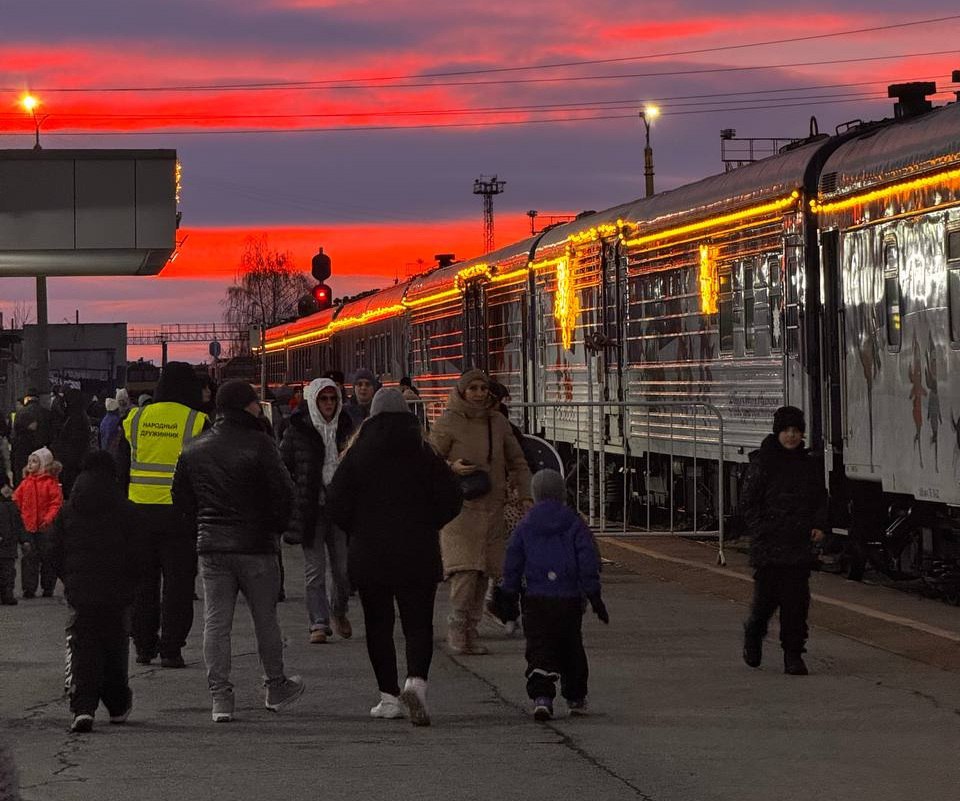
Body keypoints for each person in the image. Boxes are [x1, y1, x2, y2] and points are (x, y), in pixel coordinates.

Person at [328, 388, 462, 725]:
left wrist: (357, 528)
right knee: (417, 623)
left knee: (378, 625)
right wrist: (430, 523)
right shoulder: (424, 452)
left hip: (370, 554)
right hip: (417, 551)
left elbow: (336, 503)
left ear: (371, 415)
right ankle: (416, 684)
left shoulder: (357, 454)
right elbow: (452, 497)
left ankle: (388, 697)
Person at [172, 380, 304, 723]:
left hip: (212, 547)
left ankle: (221, 699)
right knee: (265, 620)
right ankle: (276, 687)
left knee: (215, 622)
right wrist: (273, 527)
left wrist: (202, 526)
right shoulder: (261, 444)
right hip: (256, 546)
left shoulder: (194, 447)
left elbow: (181, 499)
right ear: (246, 406)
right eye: (255, 403)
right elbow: (284, 492)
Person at [430, 369, 533, 655]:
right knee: (465, 572)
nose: (478, 393)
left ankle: (471, 631)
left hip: (492, 509)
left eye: (482, 388)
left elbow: (518, 460)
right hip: (461, 510)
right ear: (462, 391)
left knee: (484, 573)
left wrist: (525, 495)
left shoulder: (498, 422)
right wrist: (452, 468)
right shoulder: (448, 422)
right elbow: (429, 460)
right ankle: (457, 629)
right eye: (472, 388)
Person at [119, 361, 208, 668]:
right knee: (179, 585)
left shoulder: (136, 418)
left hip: (137, 513)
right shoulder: (196, 421)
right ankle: (171, 648)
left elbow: (121, 467)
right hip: (178, 516)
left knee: (143, 584)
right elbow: (204, 472)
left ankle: (143, 646)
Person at [48, 451, 144, 733]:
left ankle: (83, 707)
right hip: (117, 593)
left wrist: (68, 579)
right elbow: (140, 554)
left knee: (83, 647)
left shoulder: (68, 511)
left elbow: (52, 549)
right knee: (115, 646)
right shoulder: (126, 510)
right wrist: (132, 583)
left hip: (81, 592)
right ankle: (117, 705)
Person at [501, 469, 607, 721]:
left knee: (539, 647)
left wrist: (509, 593)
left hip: (536, 600)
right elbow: (588, 560)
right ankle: (575, 697)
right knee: (572, 647)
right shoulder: (574, 522)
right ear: (562, 494)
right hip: (570, 599)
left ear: (535, 495)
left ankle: (542, 698)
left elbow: (513, 562)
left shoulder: (525, 525)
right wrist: (594, 595)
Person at [741, 405, 827, 676]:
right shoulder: (763, 463)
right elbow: (748, 502)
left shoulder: (809, 465)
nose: (791, 436)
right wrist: (761, 530)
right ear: (777, 432)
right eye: (787, 431)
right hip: (769, 545)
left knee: (796, 603)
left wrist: (819, 525)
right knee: (765, 601)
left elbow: (820, 500)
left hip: (798, 545)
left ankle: (793, 655)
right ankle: (754, 634)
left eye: (796, 431)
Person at [280, 377, 355, 643]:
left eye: (333, 399)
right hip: (311, 509)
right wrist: (297, 490)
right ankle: (318, 623)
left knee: (343, 569)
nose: (329, 404)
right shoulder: (297, 429)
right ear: (313, 400)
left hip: (339, 507)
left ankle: (339, 610)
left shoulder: (347, 427)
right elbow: (283, 463)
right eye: (323, 399)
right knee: (315, 570)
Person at [13, 447, 63, 599]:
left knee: (47, 557)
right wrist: (19, 516)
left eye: (34, 462)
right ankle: (29, 588)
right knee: (29, 558)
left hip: (45, 527)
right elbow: (17, 500)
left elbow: (56, 503)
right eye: (29, 461)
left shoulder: (50, 484)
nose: (30, 464)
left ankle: (47, 586)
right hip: (28, 526)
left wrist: (48, 519)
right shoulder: (25, 483)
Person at [51, 388, 92, 498]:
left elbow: (73, 441)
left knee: (69, 487)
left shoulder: (75, 417)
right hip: (74, 460)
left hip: (71, 461)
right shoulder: (79, 415)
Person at [10, 390, 54, 486]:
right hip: (42, 450)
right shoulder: (46, 413)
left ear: (27, 398)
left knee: (23, 477)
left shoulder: (20, 412)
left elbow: (14, 434)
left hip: (22, 450)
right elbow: (51, 433)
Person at [0, 474, 26, 605]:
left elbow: (18, 524)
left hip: (9, 545)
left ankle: (7, 594)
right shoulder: (10, 506)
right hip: (8, 544)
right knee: (7, 571)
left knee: (8, 572)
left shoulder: (12, 506)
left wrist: (24, 540)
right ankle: (6, 594)